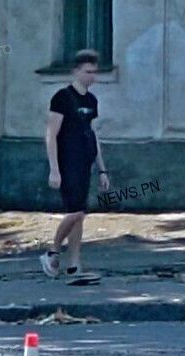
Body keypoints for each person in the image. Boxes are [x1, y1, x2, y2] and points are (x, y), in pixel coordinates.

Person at [42, 49, 109, 279]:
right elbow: (51, 134)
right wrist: (54, 168)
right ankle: (52, 251)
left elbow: (93, 135)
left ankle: (74, 263)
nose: (92, 76)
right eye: (88, 71)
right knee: (75, 212)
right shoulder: (62, 98)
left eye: (94, 72)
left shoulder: (91, 101)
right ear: (76, 71)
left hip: (85, 164)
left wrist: (102, 169)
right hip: (66, 163)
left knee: (80, 215)